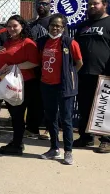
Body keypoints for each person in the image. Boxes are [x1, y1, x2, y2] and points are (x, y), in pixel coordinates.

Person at [37, 14, 82, 165]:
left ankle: (68, 151)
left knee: (66, 119)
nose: (55, 28)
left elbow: (79, 63)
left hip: (64, 87)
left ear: (63, 27)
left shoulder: (70, 42)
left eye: (58, 26)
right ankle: (54, 148)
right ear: (48, 26)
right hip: (46, 85)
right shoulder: (42, 42)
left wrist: (69, 75)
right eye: (52, 25)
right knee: (50, 118)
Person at [0, 15, 40, 156]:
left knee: (18, 115)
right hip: (9, 83)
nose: (12, 29)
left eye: (15, 26)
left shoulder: (28, 43)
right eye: (9, 26)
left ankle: (17, 145)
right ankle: (17, 142)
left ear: (22, 26)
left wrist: (15, 67)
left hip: (24, 84)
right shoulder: (8, 42)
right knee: (15, 115)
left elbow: (34, 62)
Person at [74, 0, 110, 153]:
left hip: (105, 73)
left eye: (95, 4)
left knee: (105, 108)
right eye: (90, 4)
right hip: (84, 73)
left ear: (105, 5)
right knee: (84, 106)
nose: (92, 7)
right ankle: (86, 137)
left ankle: (106, 140)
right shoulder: (83, 25)